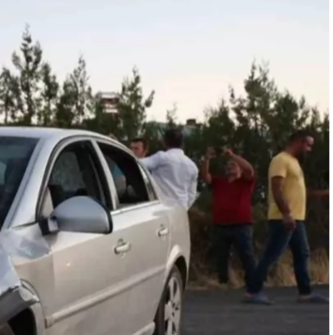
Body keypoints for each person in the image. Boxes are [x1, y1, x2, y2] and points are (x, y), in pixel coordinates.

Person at [245, 131, 328, 304]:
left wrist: (323, 194)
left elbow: (299, 191)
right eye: (308, 145)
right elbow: (277, 189)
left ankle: (305, 293)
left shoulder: (294, 163)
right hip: (283, 218)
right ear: (298, 142)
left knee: (302, 253)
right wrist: (286, 214)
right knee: (272, 254)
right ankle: (253, 291)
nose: (309, 149)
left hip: (297, 218)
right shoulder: (280, 160)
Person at [200, 147, 257, 288]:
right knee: (221, 257)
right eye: (228, 165)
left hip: (241, 225)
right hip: (221, 225)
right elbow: (205, 176)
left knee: (246, 255)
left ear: (240, 169)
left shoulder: (245, 182)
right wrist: (207, 159)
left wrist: (233, 156)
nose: (229, 166)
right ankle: (223, 282)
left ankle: (252, 283)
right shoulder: (220, 182)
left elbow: (249, 170)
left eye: (233, 165)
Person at [139, 128, 199, 209]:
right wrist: (184, 209)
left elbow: (137, 163)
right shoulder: (193, 166)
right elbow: (192, 195)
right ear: (182, 144)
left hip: (160, 208)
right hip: (181, 210)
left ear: (164, 142)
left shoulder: (162, 157)